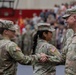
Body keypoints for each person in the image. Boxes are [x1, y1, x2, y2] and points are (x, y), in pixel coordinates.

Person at [62, 7, 76, 75]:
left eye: (67, 18)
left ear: (75, 17)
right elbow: (63, 57)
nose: (65, 21)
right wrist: (47, 57)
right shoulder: (70, 36)